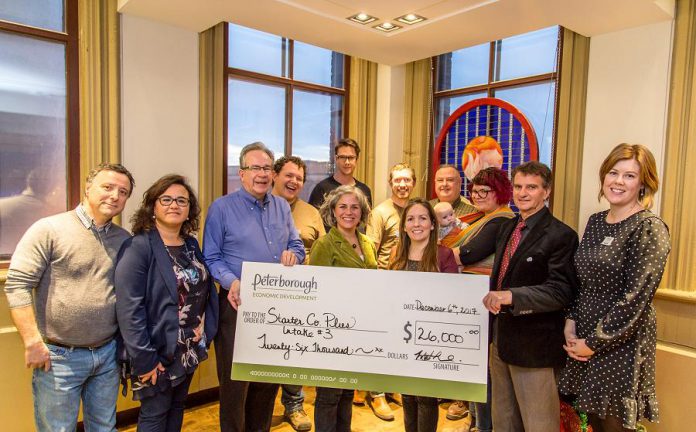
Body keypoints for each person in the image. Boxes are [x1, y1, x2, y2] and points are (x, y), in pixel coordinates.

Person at [4, 163, 134, 431]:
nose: (114, 196)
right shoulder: (49, 229)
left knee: (104, 427)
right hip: (59, 357)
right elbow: (17, 284)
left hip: (107, 354)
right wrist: (32, 341)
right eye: (107, 187)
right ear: (88, 188)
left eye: (123, 192)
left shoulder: (124, 239)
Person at [558, 144, 670, 432]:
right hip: (583, 334)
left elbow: (636, 298)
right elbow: (582, 280)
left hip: (620, 342)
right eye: (613, 172)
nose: (618, 181)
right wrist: (571, 324)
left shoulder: (649, 227)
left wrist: (594, 343)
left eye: (629, 176)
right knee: (591, 421)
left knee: (614, 425)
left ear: (644, 183)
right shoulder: (595, 222)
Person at [203, 142, 305, 432]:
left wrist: (294, 255)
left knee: (267, 380)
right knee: (236, 386)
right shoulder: (221, 208)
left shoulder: (282, 206)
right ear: (242, 172)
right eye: (255, 168)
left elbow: (296, 245)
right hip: (237, 305)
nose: (262, 174)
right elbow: (211, 256)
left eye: (267, 168)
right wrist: (231, 281)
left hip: (277, 307)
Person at [115, 174, 218, 432]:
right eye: (167, 199)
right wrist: (145, 360)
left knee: (177, 406)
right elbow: (129, 310)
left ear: (189, 211)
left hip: (189, 348)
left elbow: (201, 288)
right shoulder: (138, 247)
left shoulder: (191, 245)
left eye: (182, 201)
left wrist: (204, 322)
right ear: (153, 207)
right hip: (156, 350)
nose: (175, 205)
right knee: (154, 415)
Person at [482, 161, 578, 432]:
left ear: (546, 192)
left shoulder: (562, 235)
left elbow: (560, 291)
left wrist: (511, 296)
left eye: (532, 188)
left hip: (535, 348)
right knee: (503, 423)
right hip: (500, 342)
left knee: (539, 425)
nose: (523, 193)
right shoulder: (508, 228)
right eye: (519, 186)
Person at [447, 167, 514, 430]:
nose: (477, 196)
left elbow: (468, 253)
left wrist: (429, 253)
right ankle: (475, 420)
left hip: (483, 300)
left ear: (500, 192)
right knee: (474, 368)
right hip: (472, 298)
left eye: (484, 191)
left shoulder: (500, 221)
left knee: (481, 370)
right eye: (474, 191)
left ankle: (483, 425)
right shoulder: (481, 218)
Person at [308, 185, 377, 432]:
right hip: (332, 333)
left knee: (348, 392)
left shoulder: (368, 243)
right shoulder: (324, 245)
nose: (349, 212)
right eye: (343, 206)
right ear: (333, 212)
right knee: (329, 396)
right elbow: (315, 293)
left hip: (359, 332)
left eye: (355, 207)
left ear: (362, 212)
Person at [387, 198, 458, 432]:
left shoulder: (444, 255)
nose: (416, 224)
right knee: (407, 394)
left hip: (431, 337)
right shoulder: (397, 253)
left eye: (422, 218)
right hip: (401, 334)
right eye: (411, 219)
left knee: (425, 397)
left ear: (432, 224)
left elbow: (453, 298)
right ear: (404, 225)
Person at [272, 155, 324, 431]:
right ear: (274, 176)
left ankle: (294, 404)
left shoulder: (311, 213)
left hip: (300, 295)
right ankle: (262, 405)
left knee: (294, 351)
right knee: (264, 351)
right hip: (264, 295)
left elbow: (321, 251)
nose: (294, 182)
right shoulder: (258, 207)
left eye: (299, 179)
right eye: (288, 175)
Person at [363, 162, 416, 420]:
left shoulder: (417, 210)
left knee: (400, 339)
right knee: (379, 340)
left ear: (413, 183)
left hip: (410, 284)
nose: (402, 185)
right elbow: (370, 248)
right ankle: (377, 394)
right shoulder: (380, 212)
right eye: (398, 180)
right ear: (390, 182)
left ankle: (393, 385)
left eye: (407, 180)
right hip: (385, 281)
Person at [308, 138, 373, 214]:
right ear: (336, 159)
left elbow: (367, 221)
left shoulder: (364, 190)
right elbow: (312, 220)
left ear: (356, 160)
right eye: (342, 157)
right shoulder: (321, 189)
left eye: (351, 158)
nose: (347, 162)